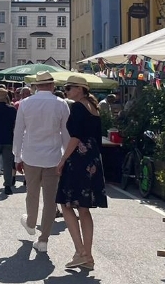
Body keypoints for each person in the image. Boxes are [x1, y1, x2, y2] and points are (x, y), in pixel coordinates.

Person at [13, 71, 70, 254]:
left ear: (36, 86)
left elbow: (18, 131)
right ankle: (44, 239)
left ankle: (31, 222)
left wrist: (17, 157)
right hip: (53, 156)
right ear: (52, 85)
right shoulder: (61, 104)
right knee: (51, 199)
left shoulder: (26, 103)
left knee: (32, 193)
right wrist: (66, 157)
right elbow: (66, 134)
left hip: (31, 155)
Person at [56, 75, 108, 270]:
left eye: (69, 88)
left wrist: (63, 159)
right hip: (92, 158)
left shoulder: (78, 107)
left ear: (80, 89)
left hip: (79, 158)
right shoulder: (93, 107)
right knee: (84, 208)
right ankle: (87, 255)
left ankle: (81, 251)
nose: (66, 91)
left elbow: (75, 137)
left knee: (66, 203)